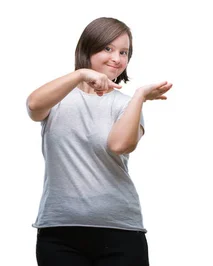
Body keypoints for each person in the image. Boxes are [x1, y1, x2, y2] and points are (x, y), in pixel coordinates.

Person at [26, 17, 172, 266]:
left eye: (124, 52)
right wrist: (80, 74)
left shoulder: (126, 103)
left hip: (120, 231)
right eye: (108, 48)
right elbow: (33, 107)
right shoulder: (58, 98)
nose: (117, 58)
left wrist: (139, 96)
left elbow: (120, 145)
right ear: (88, 48)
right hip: (59, 231)